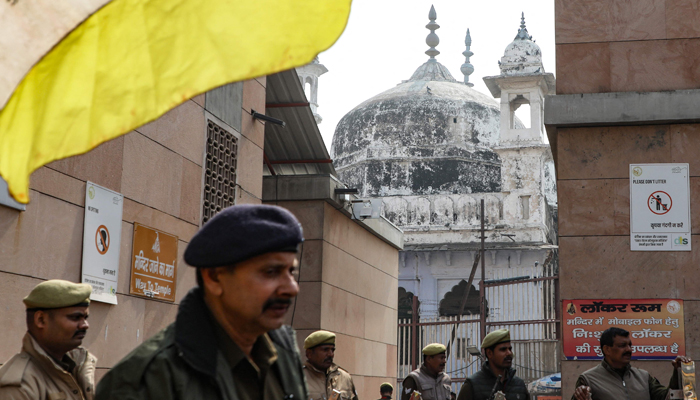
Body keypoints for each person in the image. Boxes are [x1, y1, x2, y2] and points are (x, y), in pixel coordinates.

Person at [95, 204, 308, 400]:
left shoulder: (283, 352)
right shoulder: (145, 381)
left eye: (291, 271)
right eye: (271, 272)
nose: (292, 288)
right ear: (214, 277)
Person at [0, 279, 97, 400]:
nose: (85, 325)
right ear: (41, 320)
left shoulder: (77, 367)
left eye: (85, 317)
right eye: (76, 317)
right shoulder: (20, 384)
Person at [572, 327, 690, 400]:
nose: (629, 350)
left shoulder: (643, 377)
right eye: (622, 346)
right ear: (607, 349)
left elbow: (666, 397)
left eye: (630, 345)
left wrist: (678, 371)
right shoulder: (589, 379)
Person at [457, 329, 528, 400]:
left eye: (510, 349)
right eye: (503, 349)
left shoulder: (519, 385)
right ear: (489, 353)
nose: (509, 353)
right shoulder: (472, 385)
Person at [303, 330, 359, 400]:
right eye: (325, 350)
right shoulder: (297, 378)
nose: (331, 354)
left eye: (332, 350)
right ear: (309, 353)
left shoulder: (344, 378)